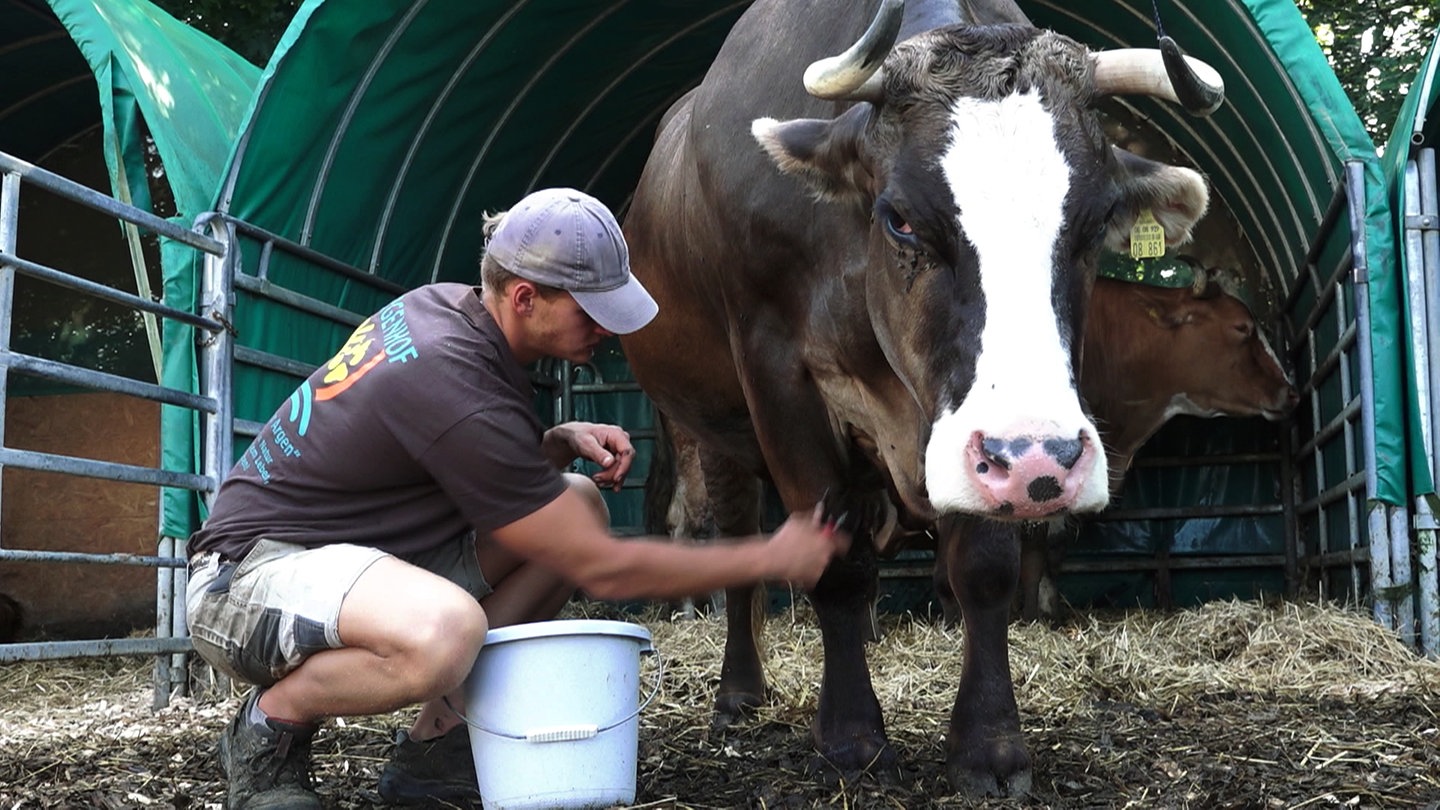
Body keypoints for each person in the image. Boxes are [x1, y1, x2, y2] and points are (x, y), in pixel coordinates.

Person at [184, 187, 850, 809]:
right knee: (445, 632)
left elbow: (461, 465)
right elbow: (602, 570)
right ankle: (270, 729)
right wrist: (771, 555)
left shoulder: (448, 309)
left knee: (577, 501)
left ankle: (437, 742)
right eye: (591, 310)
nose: (608, 330)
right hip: (244, 582)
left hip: (340, 562)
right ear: (526, 297)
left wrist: (551, 445)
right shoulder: (450, 372)